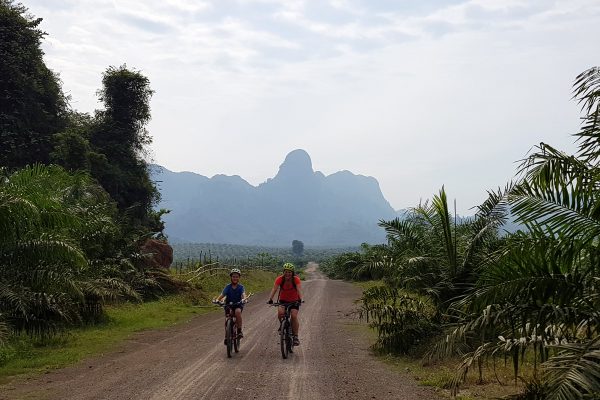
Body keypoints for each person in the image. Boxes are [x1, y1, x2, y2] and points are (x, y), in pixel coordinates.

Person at [267, 263, 303, 346]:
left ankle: (295, 337)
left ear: (292, 273)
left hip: (294, 301)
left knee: (294, 316)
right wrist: (270, 299)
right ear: (283, 272)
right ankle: (282, 325)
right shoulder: (280, 279)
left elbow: (299, 289)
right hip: (283, 300)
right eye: (286, 272)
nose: (288, 274)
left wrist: (301, 299)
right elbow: (274, 289)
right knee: (280, 313)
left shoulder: (296, 279)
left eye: (289, 272)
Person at [215, 268, 247, 341]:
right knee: (227, 319)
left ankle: (239, 331)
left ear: (239, 278)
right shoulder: (228, 287)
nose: (235, 278)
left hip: (238, 304)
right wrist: (217, 300)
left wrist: (244, 299)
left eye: (236, 277)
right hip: (228, 305)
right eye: (233, 276)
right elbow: (222, 294)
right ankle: (227, 336)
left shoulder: (241, 287)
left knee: (237, 312)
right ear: (231, 277)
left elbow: (243, 294)